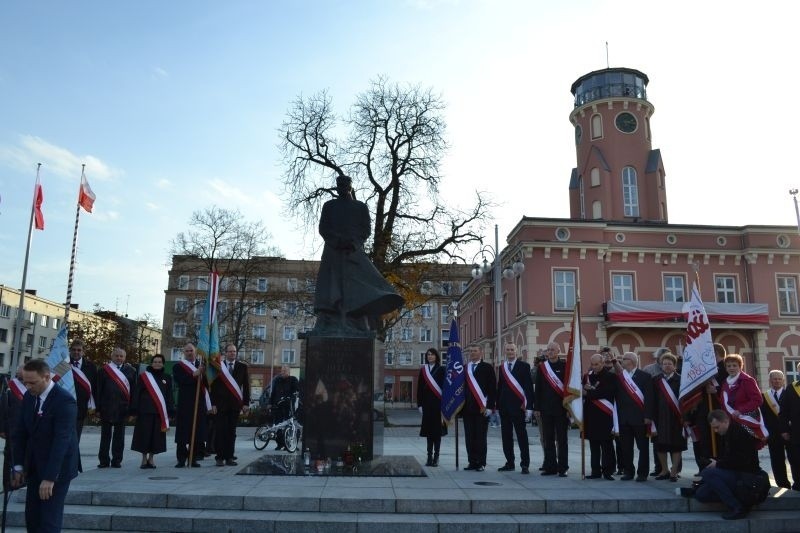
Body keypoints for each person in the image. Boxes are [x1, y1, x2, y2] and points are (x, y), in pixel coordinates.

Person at [312, 175, 404, 334]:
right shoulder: (329, 206)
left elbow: (365, 229)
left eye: (344, 185)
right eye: (339, 185)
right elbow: (323, 228)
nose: (341, 188)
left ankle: (359, 318)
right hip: (333, 252)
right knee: (331, 285)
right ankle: (328, 318)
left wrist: (353, 243)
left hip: (353, 252)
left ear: (350, 187)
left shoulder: (360, 207)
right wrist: (337, 242)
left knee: (362, 282)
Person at [11, 359, 79, 532]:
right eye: (24, 382)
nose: (27, 386)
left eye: (32, 382)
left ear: (47, 377)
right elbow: (21, 433)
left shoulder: (64, 401)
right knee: (32, 518)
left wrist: (50, 478)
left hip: (57, 468)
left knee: (49, 519)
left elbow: (61, 441)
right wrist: (18, 465)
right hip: (34, 466)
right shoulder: (29, 397)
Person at [694, 409, 762, 520]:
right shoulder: (727, 433)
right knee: (701, 494)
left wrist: (718, 464)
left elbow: (742, 461)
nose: (715, 431)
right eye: (713, 428)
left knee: (707, 473)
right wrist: (715, 461)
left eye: (717, 427)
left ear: (726, 421)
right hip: (734, 471)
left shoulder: (739, 432)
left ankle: (738, 507)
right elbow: (728, 457)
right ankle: (735, 496)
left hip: (746, 475)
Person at [613, 352, 654, 482]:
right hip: (624, 418)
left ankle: (642, 473)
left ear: (630, 361)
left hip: (640, 418)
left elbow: (649, 398)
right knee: (626, 447)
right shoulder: (620, 377)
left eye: (623, 359)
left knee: (643, 447)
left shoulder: (645, 376)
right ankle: (628, 472)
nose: (621, 361)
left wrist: (648, 416)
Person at [130, 354, 175, 469]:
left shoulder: (167, 378)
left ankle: (151, 458)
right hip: (144, 412)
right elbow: (136, 394)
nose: (157, 364)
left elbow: (169, 396)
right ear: (151, 363)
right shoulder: (144, 377)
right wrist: (134, 411)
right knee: (144, 436)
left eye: (160, 362)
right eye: (155, 361)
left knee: (156, 438)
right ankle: (144, 459)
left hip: (159, 414)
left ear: (163, 364)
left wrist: (170, 412)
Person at [96, 347, 137, 468]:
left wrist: (132, 410)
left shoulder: (131, 371)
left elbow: (134, 392)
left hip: (122, 408)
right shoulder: (103, 370)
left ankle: (117, 460)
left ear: (125, 358)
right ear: (112, 356)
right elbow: (98, 390)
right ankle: (103, 461)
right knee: (105, 436)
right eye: (116, 356)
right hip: (106, 407)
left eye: (121, 356)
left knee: (119, 437)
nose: (119, 358)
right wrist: (97, 409)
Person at [496, 343, 534, 474]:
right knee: (506, 436)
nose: (510, 351)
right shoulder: (502, 367)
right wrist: (497, 405)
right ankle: (509, 462)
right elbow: (500, 387)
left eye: (512, 349)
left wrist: (529, 406)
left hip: (519, 407)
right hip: (504, 407)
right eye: (508, 350)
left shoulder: (524, 366)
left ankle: (525, 464)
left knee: (521, 436)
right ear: (505, 351)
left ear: (516, 351)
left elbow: (528, 387)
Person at [211, 344, 250, 466]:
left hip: (235, 405)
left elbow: (246, 387)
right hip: (220, 405)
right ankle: (219, 457)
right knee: (220, 431)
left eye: (234, 351)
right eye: (230, 351)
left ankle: (229, 457)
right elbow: (213, 387)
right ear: (225, 353)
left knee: (231, 432)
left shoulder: (242, 367)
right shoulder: (218, 366)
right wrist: (212, 404)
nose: (232, 353)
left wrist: (245, 404)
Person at [534, 341, 570, 477]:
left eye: (553, 349)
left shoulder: (565, 366)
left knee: (562, 439)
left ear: (558, 350)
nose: (550, 352)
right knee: (548, 439)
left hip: (561, 409)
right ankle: (550, 467)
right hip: (545, 409)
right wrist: (537, 407)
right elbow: (538, 389)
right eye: (548, 350)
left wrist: (569, 408)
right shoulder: (542, 368)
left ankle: (563, 467)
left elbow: (568, 388)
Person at [173, 343, 210, 467]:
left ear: (195, 352)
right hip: (185, 403)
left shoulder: (202, 366)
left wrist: (202, 373)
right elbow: (181, 381)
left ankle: (192, 458)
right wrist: (195, 374)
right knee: (183, 433)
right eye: (187, 350)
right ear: (184, 352)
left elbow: (207, 384)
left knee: (197, 432)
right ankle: (181, 459)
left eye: (192, 350)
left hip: (198, 403)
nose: (190, 352)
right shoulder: (178, 366)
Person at [652, 352, 686, 481]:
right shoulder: (656, 380)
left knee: (676, 445)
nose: (667, 366)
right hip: (659, 418)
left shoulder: (681, 379)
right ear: (661, 365)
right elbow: (651, 400)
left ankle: (674, 471)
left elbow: (685, 400)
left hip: (676, 417)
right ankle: (664, 470)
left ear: (674, 366)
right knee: (660, 445)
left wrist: (685, 417)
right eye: (664, 364)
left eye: (669, 364)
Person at [462, 343, 496, 472]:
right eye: (470, 351)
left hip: (482, 408)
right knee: (469, 437)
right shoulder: (465, 368)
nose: (472, 353)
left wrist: (490, 406)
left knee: (481, 437)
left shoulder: (487, 368)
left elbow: (492, 388)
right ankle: (472, 461)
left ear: (480, 352)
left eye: (475, 351)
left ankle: (481, 462)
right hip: (467, 409)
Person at [583, 353, 617, 480]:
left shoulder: (611, 376)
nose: (594, 366)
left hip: (605, 415)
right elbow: (583, 393)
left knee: (607, 445)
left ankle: (608, 471)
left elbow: (606, 392)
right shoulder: (587, 377)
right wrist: (589, 392)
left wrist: (590, 392)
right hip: (591, 415)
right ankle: (595, 471)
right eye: (592, 364)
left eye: (597, 364)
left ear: (602, 363)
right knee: (594, 445)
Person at [719, 353, 766, 443]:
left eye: (734, 365)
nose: (731, 368)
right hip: (731, 422)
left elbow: (757, 400)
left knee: (748, 451)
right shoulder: (725, 383)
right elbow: (724, 403)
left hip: (746, 421)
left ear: (740, 366)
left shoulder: (747, 380)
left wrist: (740, 410)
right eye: (729, 366)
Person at [417, 347, 447, 467]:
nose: (430, 356)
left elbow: (446, 388)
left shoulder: (442, 369)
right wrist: (419, 404)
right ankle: (429, 457)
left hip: (438, 406)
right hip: (427, 406)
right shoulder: (423, 370)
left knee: (437, 433)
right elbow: (419, 389)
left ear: (436, 356)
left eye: (432, 354)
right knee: (429, 434)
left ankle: (436, 458)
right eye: (428, 355)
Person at [761, 370, 791, 488]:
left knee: (794, 460)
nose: (777, 381)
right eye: (774, 378)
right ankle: (782, 484)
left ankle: (797, 484)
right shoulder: (764, 397)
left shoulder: (789, 394)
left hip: (789, 433)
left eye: (779, 379)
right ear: (770, 380)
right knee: (777, 461)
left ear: (783, 381)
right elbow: (762, 417)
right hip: (773, 434)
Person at [643, 347, 670, 476]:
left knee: (675, 441)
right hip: (655, 411)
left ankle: (676, 469)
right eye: (663, 358)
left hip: (671, 411)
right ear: (658, 358)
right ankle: (658, 467)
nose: (665, 361)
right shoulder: (648, 370)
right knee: (656, 441)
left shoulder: (675, 370)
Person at [68, 339, 97, 444]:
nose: (76, 352)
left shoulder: (91, 366)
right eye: (74, 350)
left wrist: (93, 407)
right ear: (70, 350)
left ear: (83, 351)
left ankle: (74, 459)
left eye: (79, 350)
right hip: (65, 404)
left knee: (76, 435)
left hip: (81, 406)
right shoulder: (63, 365)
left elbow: (94, 387)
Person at [0, 367, 25, 490]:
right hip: (12, 429)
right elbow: (3, 408)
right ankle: (7, 484)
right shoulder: (10, 386)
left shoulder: (33, 387)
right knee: (10, 457)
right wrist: (1, 429)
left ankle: (21, 482)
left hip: (26, 431)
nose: (23, 373)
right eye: (22, 370)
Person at [779, 362, 800, 491]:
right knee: (796, 459)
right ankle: (798, 484)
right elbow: (783, 412)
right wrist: (784, 430)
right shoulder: (791, 388)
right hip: (796, 432)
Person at [269, 365, 299, 451]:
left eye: (285, 371)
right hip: (278, 405)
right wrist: (270, 403)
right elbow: (273, 392)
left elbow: (296, 390)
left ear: (289, 372)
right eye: (282, 371)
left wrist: (292, 396)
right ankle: (280, 444)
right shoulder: (277, 380)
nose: (283, 372)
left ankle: (291, 444)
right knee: (279, 425)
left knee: (290, 424)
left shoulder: (293, 379)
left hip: (289, 406)